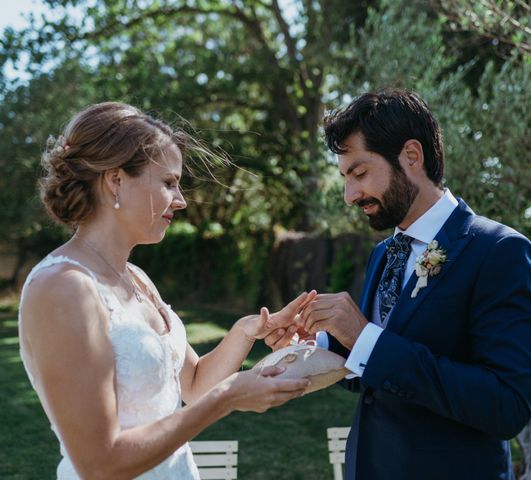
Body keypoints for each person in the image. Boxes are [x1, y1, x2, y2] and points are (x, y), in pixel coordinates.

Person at [18, 102, 312, 479]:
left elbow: (193, 385)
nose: (182, 200)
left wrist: (245, 331)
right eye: (169, 182)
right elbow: (99, 463)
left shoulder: (137, 278)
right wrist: (229, 398)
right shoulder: (63, 288)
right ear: (116, 180)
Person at [267, 89, 531, 479]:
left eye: (360, 173)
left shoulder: (500, 252)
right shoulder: (384, 253)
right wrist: (318, 347)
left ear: (411, 156)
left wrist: (364, 337)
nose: (350, 196)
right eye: (345, 178)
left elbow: (506, 406)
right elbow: (381, 376)